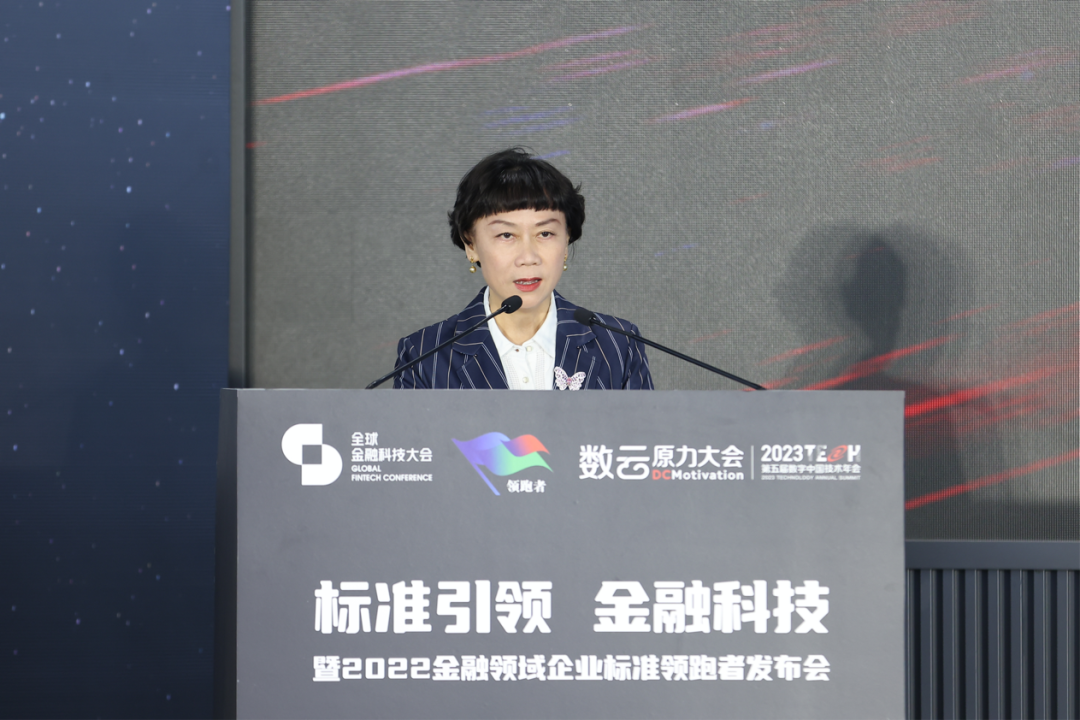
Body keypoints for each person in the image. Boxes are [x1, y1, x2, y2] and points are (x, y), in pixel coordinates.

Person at [393, 148, 653, 390]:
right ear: (470, 245)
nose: (528, 257)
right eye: (506, 235)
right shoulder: (424, 355)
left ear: (566, 240)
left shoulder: (618, 345)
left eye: (545, 233)